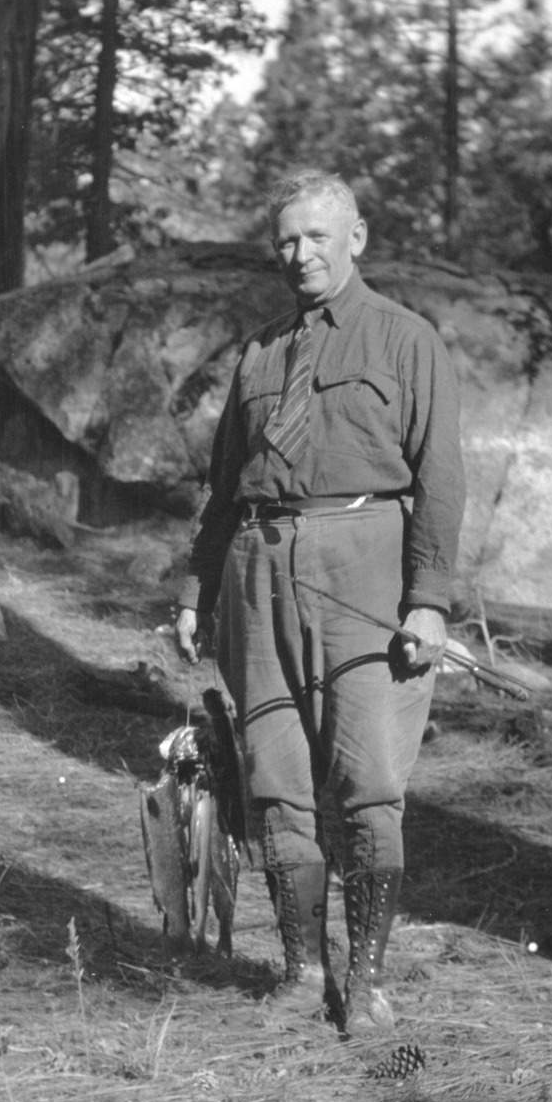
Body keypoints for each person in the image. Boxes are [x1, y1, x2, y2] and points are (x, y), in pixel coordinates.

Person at [175, 168, 465, 1032]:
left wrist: (430, 600)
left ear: (357, 238)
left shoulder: (407, 341)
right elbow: (225, 488)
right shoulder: (261, 353)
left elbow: (441, 481)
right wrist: (198, 590)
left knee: (369, 785)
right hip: (259, 575)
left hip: (365, 568)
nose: (298, 255)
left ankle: (367, 983)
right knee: (275, 784)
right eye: (286, 241)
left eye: (315, 238)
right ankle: (303, 974)